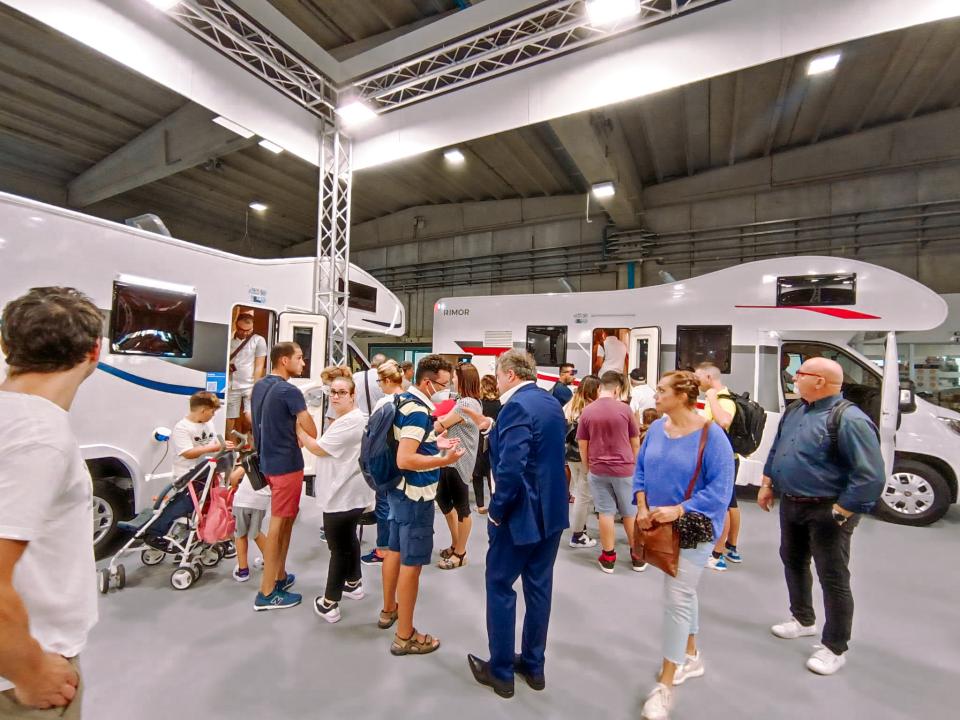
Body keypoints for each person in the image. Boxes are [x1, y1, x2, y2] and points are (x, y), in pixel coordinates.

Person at [0, 287, 102, 718]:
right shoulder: (40, 437)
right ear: (95, 351)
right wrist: (31, 672)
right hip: (20, 676)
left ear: (6, 345)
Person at [759, 357, 884, 676]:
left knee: (833, 576)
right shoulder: (795, 410)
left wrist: (843, 510)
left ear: (819, 381)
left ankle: (835, 647)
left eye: (800, 374)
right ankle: (803, 619)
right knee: (793, 560)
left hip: (829, 509)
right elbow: (777, 448)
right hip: (792, 502)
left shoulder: (849, 419)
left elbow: (870, 475)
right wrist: (767, 482)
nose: (794, 378)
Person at [467, 350, 569, 699]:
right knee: (539, 588)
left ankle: (500, 672)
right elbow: (538, 447)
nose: (496, 381)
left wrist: (497, 510)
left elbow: (511, 468)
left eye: (498, 374)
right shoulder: (549, 402)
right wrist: (491, 427)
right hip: (552, 511)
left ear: (509, 374)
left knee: (499, 585)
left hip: (520, 515)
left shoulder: (515, 408)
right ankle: (534, 665)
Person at [634, 371, 735, 720]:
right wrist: (642, 506)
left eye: (662, 390)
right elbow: (641, 470)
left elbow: (720, 490)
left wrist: (679, 509)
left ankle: (665, 685)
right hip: (659, 526)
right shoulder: (656, 430)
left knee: (676, 597)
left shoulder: (712, 436)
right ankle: (691, 655)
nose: (655, 395)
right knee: (684, 591)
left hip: (693, 529)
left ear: (681, 396)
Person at [381, 355, 464, 655]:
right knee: (412, 564)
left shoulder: (402, 401)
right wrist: (443, 460)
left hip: (397, 491)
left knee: (394, 550)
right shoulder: (418, 410)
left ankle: (388, 610)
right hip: (416, 496)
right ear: (428, 382)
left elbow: (407, 442)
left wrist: (433, 443)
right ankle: (405, 636)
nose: (447, 390)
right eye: (444, 384)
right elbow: (406, 458)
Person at [299, 368, 373, 623]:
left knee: (337, 548)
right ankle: (354, 582)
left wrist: (298, 428)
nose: (336, 397)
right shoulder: (346, 419)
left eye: (342, 392)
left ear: (353, 395)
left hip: (342, 495)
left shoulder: (352, 421)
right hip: (346, 492)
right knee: (348, 540)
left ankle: (329, 603)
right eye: (333, 392)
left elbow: (318, 448)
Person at [251, 341, 318, 611]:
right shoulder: (290, 391)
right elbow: (312, 431)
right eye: (299, 358)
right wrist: (299, 427)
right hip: (287, 466)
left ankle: (279, 576)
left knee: (285, 524)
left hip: (268, 463)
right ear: (284, 361)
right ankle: (267, 592)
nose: (303, 363)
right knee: (278, 527)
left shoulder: (260, 386)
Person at [144, 390, 240, 551]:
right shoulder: (182, 428)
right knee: (183, 505)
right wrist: (215, 447)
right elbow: (187, 453)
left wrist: (222, 447)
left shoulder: (208, 424)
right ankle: (154, 533)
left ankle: (214, 535)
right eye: (212, 412)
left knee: (211, 505)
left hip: (206, 473)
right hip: (187, 475)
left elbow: (213, 443)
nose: (213, 415)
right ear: (203, 410)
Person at [576, 370, 643, 573]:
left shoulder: (587, 411)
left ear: (599, 387)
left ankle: (608, 557)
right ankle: (637, 557)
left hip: (598, 470)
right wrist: (636, 467)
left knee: (605, 512)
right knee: (630, 513)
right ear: (617, 389)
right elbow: (635, 442)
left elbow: (583, 445)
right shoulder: (625, 410)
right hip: (625, 469)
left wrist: (588, 468)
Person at [434, 362, 482, 570]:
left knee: (462, 506)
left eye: (454, 376)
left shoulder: (466, 404)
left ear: (462, 379)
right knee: (444, 500)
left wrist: (433, 420)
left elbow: (440, 425)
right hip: (450, 458)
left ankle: (460, 553)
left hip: (459, 461)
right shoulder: (464, 402)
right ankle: (455, 544)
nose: (452, 380)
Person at [694, 363, 740, 571]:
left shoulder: (723, 399)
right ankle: (731, 547)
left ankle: (717, 554)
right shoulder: (716, 398)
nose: (696, 381)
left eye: (699, 377)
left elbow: (724, 422)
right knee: (731, 503)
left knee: (724, 506)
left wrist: (712, 397)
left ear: (709, 377)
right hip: (723, 459)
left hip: (723, 461)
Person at [363, 360, 406, 566]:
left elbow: (372, 437)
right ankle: (396, 547)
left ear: (388, 380)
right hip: (402, 463)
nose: (379, 385)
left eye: (380, 381)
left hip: (385, 463)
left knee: (383, 506)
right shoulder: (408, 400)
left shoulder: (384, 404)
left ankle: (383, 550)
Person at [564, 374, 600, 549]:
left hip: (570, 454)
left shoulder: (570, 405)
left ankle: (581, 527)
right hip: (585, 455)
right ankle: (577, 535)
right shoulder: (591, 409)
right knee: (583, 496)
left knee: (578, 491)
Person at [225, 310, 267, 439]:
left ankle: (247, 437)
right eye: (241, 330)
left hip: (250, 384)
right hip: (232, 384)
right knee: (230, 418)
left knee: (250, 418)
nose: (244, 333)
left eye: (248, 330)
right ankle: (231, 445)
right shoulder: (228, 339)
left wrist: (256, 386)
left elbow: (259, 365)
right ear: (236, 326)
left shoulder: (258, 340)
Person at [230, 468, 271, 583]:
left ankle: (243, 571)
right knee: (256, 532)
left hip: (243, 500)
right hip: (262, 500)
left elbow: (234, 477)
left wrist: (234, 486)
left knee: (240, 534)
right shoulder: (275, 458)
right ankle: (271, 562)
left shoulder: (252, 457)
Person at [472, 374, 501, 515]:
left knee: (477, 474)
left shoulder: (478, 404)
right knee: (492, 474)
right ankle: (494, 503)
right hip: (494, 442)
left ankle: (480, 505)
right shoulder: (500, 404)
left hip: (479, 441)